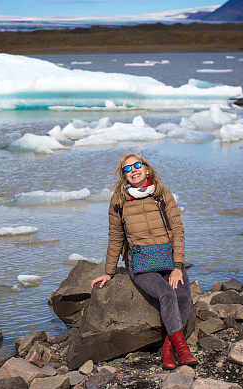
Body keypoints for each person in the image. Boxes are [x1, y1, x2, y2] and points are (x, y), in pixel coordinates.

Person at [90, 153, 197, 370]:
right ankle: (183, 350)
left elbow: (178, 231)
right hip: (141, 264)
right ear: (124, 175)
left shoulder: (162, 194)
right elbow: (115, 236)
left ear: (147, 169)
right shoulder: (119, 200)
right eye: (127, 168)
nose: (134, 170)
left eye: (137, 165)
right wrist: (109, 271)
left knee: (184, 297)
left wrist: (177, 267)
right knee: (167, 294)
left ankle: (168, 349)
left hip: (168, 258)